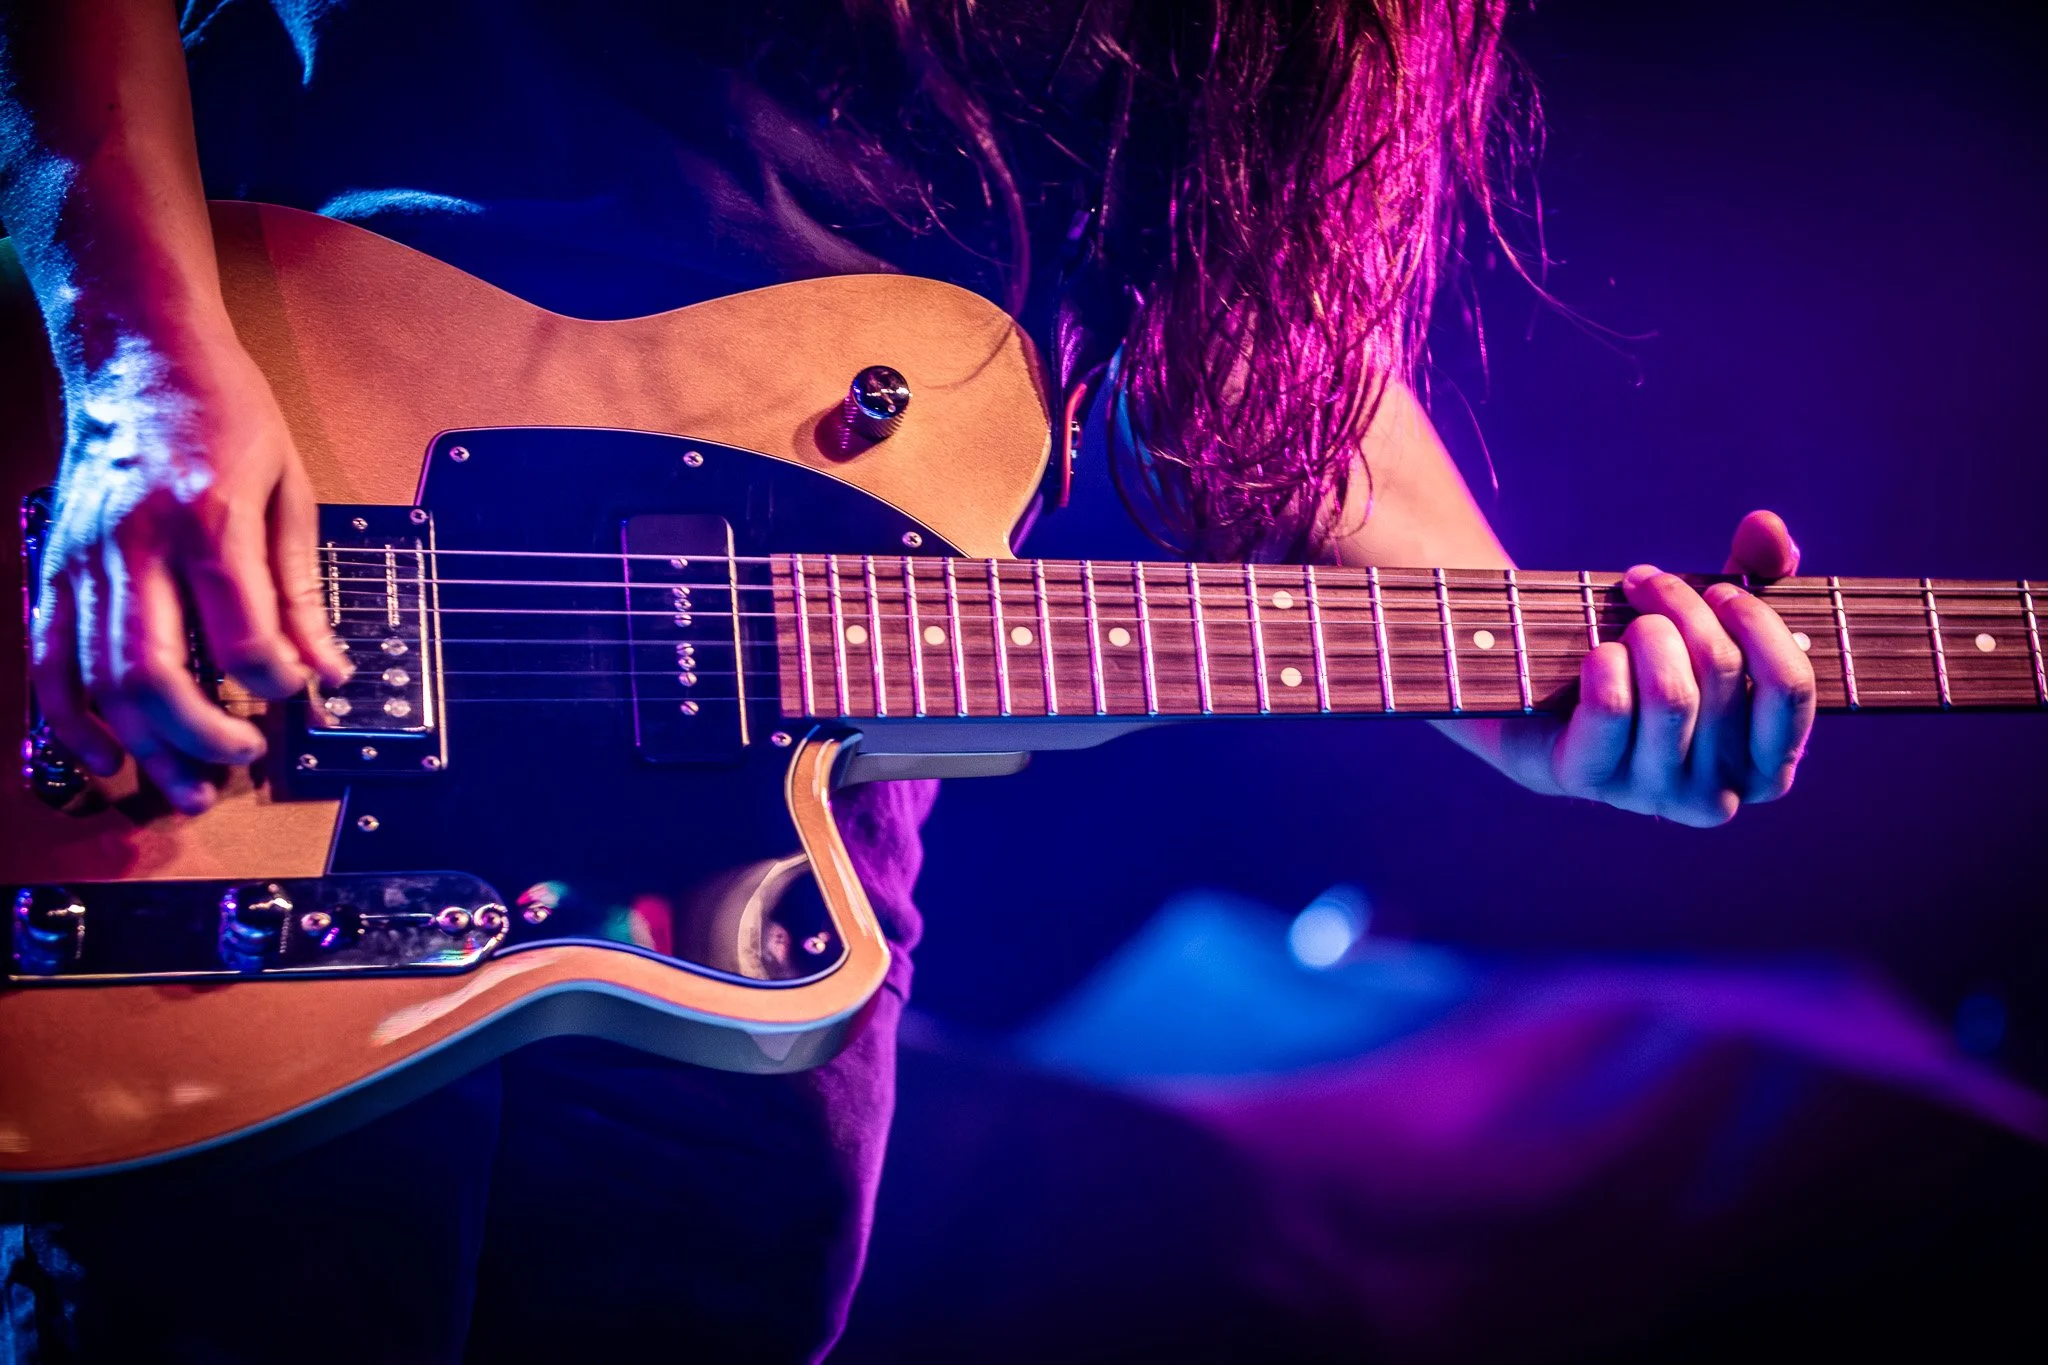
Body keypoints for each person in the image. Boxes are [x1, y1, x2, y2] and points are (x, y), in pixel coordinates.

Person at [0, 1, 1818, 1359]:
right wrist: (136, 373)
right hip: (276, 553)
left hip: (773, 828)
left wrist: (1520, 674)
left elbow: (1268, 357)